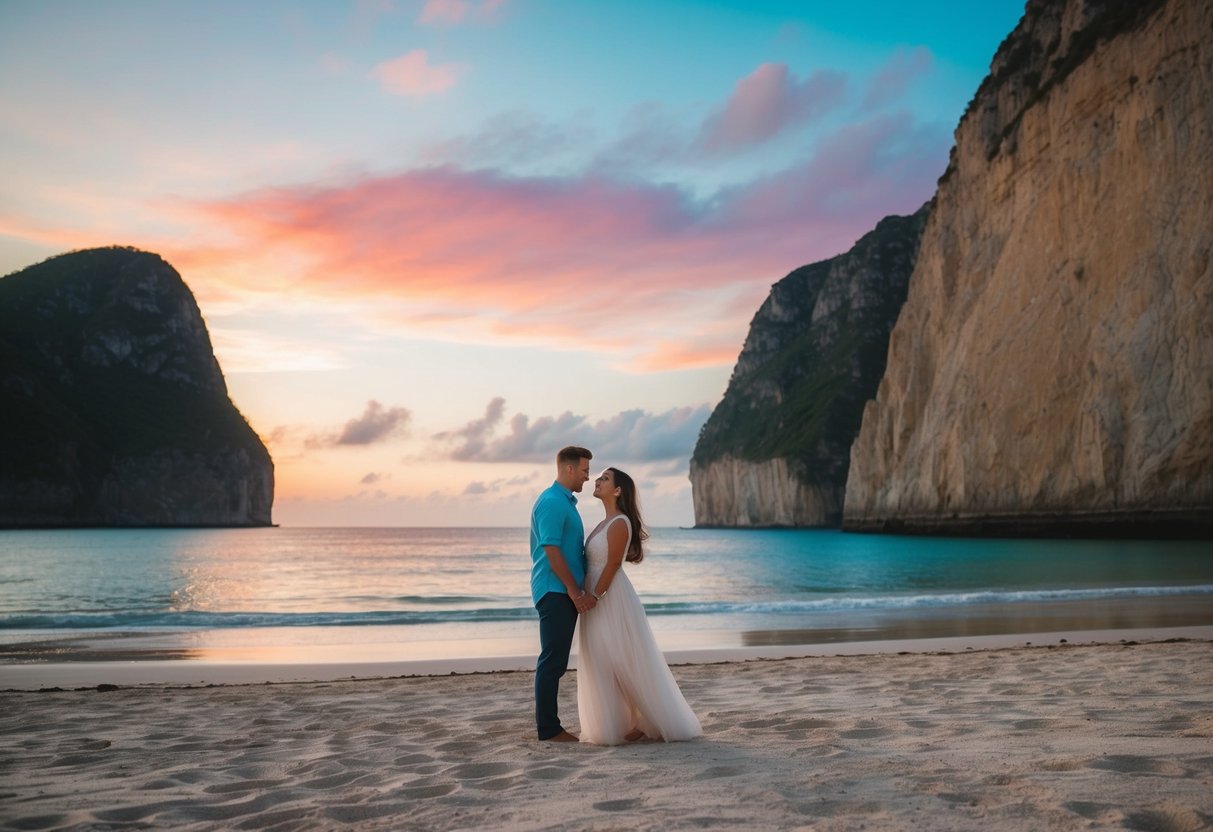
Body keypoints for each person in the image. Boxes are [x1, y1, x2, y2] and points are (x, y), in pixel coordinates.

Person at [576, 467, 702, 745]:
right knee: (604, 660)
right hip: (598, 595)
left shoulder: (619, 522)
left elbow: (611, 565)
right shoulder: (604, 522)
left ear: (618, 491)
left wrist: (595, 596)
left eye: (605, 479)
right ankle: (629, 723)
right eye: (599, 477)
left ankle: (650, 721)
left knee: (622, 661)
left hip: (609, 598)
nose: (597, 481)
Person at [530, 445, 596, 742]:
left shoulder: (566, 503)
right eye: (584, 470)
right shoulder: (553, 502)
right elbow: (551, 550)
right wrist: (573, 590)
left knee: (555, 661)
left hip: (563, 591)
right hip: (555, 591)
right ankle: (549, 729)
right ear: (569, 469)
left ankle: (549, 727)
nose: (587, 476)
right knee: (553, 661)